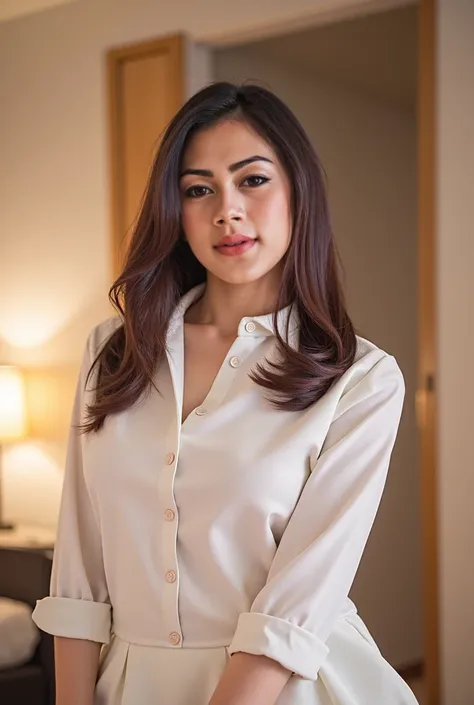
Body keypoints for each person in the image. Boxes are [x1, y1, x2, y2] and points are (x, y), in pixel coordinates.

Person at [33, 82, 419, 705]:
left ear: (298, 192)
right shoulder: (113, 352)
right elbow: (78, 574)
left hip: (285, 687)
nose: (227, 211)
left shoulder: (362, 379)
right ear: (176, 210)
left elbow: (298, 603)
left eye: (253, 180)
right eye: (199, 189)